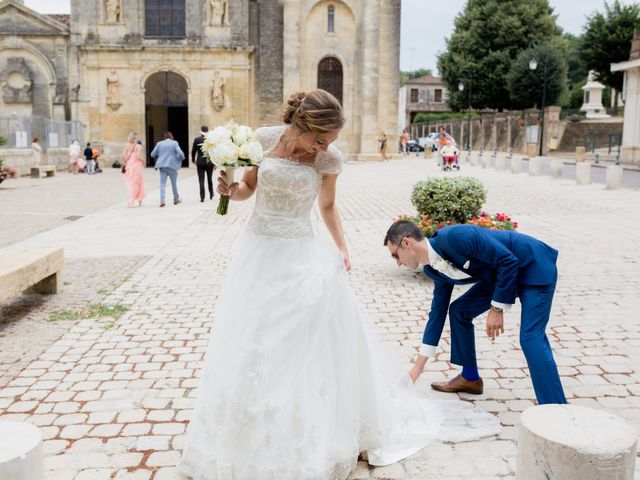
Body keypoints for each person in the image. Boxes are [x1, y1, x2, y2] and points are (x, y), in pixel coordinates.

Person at [178, 90, 500, 480]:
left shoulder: (328, 159)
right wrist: (231, 190)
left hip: (299, 252)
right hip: (258, 251)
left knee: (297, 340)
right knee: (251, 337)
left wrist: (342, 248)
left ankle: (303, 427)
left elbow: (328, 207)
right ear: (304, 125)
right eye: (322, 138)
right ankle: (245, 427)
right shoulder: (262, 140)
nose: (326, 147)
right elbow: (249, 188)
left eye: (330, 141)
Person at [384, 220, 567, 405]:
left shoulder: (457, 237)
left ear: (407, 242)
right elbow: (437, 314)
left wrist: (497, 309)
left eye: (395, 255)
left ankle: (555, 407)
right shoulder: (433, 270)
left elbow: (508, 261)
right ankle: (470, 378)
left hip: (532, 267)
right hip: (498, 279)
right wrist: (417, 369)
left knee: (530, 338)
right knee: (459, 311)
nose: (398, 263)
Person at [150, 131, 184, 207]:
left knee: (162, 184)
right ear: (171, 137)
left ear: (164, 137)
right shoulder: (174, 143)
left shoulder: (159, 143)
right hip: (172, 165)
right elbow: (181, 153)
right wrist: (180, 159)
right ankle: (176, 199)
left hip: (162, 166)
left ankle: (162, 201)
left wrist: (160, 155)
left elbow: (152, 154)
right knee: (174, 183)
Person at [191, 126, 215, 202]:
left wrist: (193, 160)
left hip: (200, 162)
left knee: (201, 180)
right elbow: (214, 151)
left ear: (201, 131)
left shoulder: (197, 139)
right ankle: (211, 194)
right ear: (208, 131)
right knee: (209, 179)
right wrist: (215, 163)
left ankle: (202, 197)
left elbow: (193, 151)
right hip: (209, 162)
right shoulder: (211, 139)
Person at [122, 132, 145, 208]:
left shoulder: (126, 145)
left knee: (130, 184)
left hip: (129, 167)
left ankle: (130, 201)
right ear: (135, 139)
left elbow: (122, 156)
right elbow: (138, 156)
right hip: (136, 166)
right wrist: (142, 161)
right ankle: (139, 198)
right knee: (138, 183)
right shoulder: (138, 146)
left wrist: (127, 162)